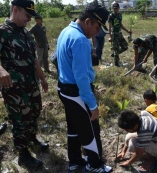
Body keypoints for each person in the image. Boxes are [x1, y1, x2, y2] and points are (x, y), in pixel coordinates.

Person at [0, 0, 49, 169]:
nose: (29, 19)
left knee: (35, 111)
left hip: (31, 83)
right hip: (14, 88)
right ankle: (23, 154)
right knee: (20, 120)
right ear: (15, 9)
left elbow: (34, 59)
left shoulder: (25, 33)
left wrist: (42, 78)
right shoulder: (1, 32)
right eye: (27, 15)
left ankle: (32, 138)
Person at [56, 3, 112, 173]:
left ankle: (74, 161)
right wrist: (93, 105)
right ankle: (94, 165)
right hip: (76, 92)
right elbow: (81, 78)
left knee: (74, 127)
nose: (97, 32)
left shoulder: (66, 30)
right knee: (90, 130)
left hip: (64, 89)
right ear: (88, 21)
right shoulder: (81, 40)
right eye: (96, 27)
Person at [108, 2, 132, 67]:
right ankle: (116, 64)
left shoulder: (120, 15)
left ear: (119, 8)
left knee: (125, 46)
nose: (116, 10)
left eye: (117, 8)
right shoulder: (111, 16)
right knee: (116, 48)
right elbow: (109, 27)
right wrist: (110, 36)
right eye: (114, 8)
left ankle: (115, 54)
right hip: (114, 34)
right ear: (113, 8)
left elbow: (120, 25)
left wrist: (127, 31)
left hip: (119, 34)